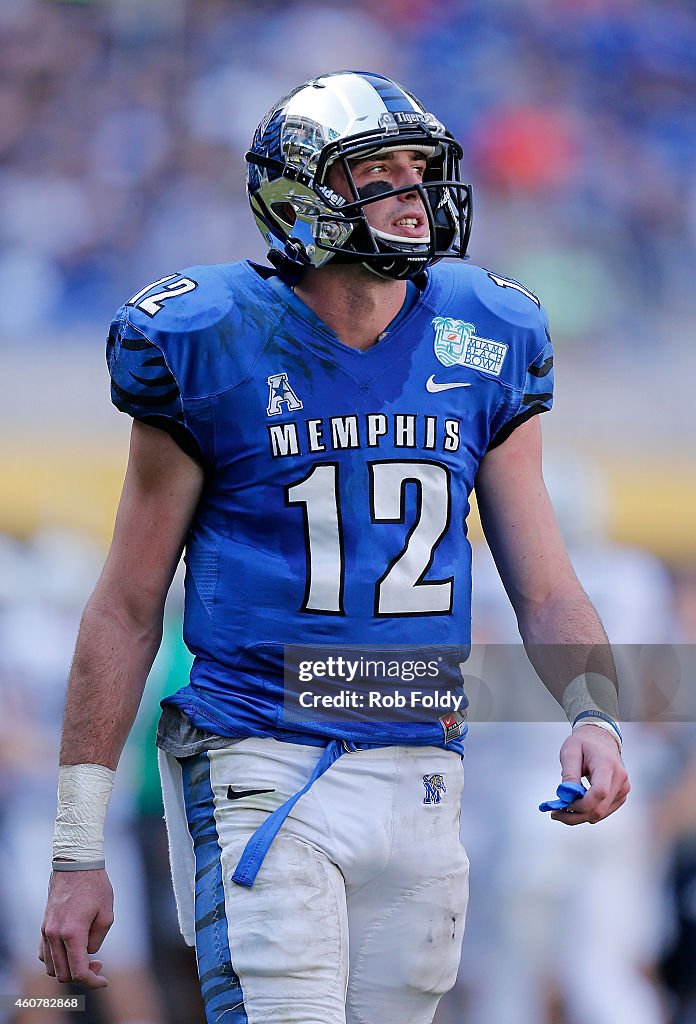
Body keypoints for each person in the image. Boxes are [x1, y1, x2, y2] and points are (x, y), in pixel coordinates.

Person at [40, 70, 629, 1024]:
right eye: (380, 172)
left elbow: (546, 584)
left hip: (426, 770)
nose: (414, 195)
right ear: (300, 196)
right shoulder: (210, 338)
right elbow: (125, 604)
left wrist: (595, 713)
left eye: (420, 168)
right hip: (261, 762)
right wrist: (76, 849)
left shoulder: (487, 332)